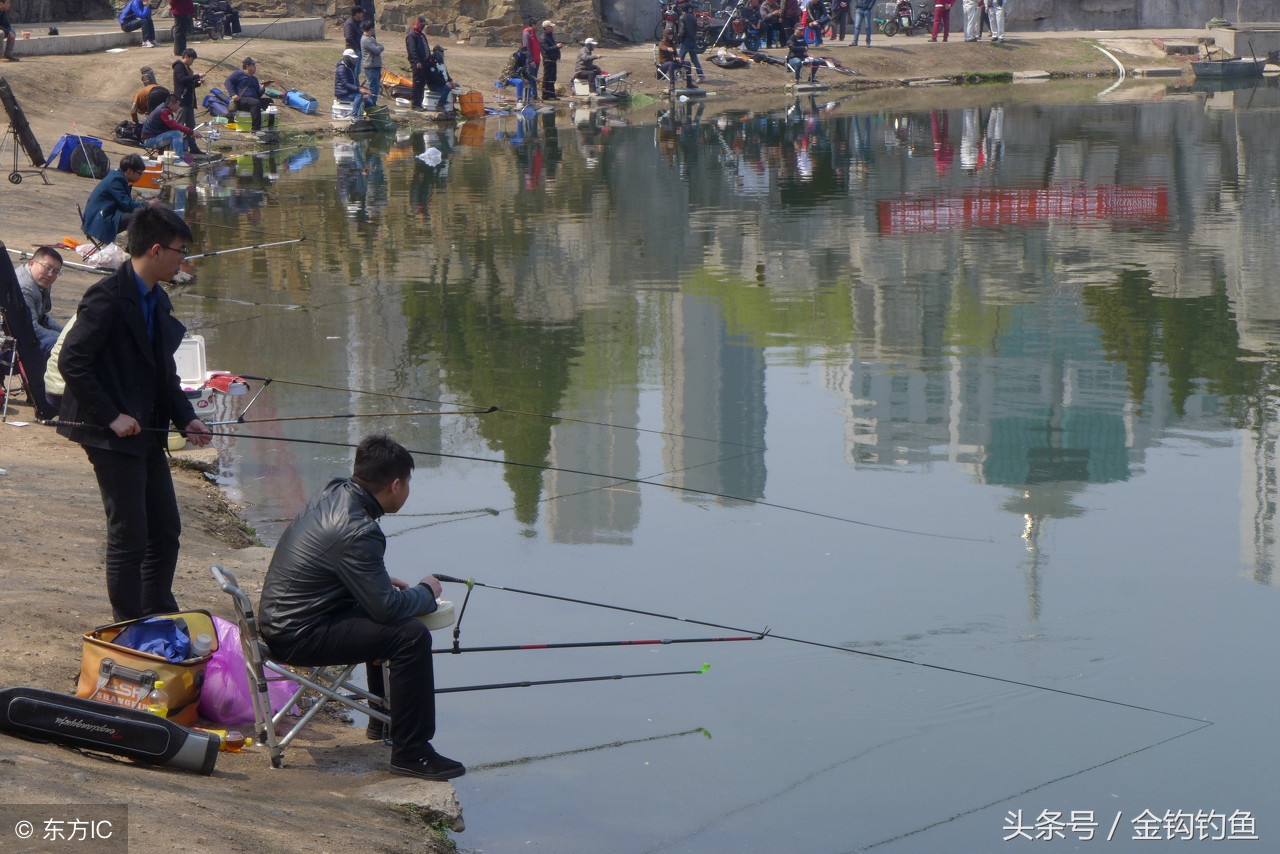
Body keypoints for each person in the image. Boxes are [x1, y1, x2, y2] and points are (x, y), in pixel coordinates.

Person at [258, 433, 466, 782]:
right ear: (396, 485)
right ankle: (412, 753)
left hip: (284, 619)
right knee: (409, 636)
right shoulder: (360, 529)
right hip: (297, 635)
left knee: (385, 617)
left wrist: (380, 586)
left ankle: (380, 722)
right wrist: (425, 592)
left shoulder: (336, 492)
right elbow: (386, 610)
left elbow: (345, 570)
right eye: (409, 484)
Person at [57, 205, 212, 622]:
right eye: (180, 251)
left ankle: (156, 607)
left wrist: (187, 419)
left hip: (147, 431)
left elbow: (165, 371)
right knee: (130, 533)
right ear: (157, 250)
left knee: (165, 530)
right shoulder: (107, 297)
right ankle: (127, 624)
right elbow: (73, 362)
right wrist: (111, 416)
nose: (184, 260)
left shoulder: (157, 299)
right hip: (108, 433)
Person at [81, 154, 160, 245]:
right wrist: (148, 204)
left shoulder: (117, 175)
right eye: (140, 173)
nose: (141, 176)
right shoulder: (116, 181)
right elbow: (127, 205)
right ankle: (133, 249)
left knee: (137, 215)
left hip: (102, 213)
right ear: (129, 171)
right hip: (98, 219)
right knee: (137, 217)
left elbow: (126, 203)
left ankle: (132, 248)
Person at [15, 248, 64, 355]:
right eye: (47, 267)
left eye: (56, 271)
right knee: (59, 345)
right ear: (31, 263)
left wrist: (67, 332)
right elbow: (33, 330)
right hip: (10, 347)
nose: (51, 274)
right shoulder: (24, 288)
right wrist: (64, 338)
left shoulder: (39, 280)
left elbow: (42, 318)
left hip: (23, 336)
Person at [141, 93, 200, 158]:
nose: (179, 107)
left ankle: (172, 157)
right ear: (171, 104)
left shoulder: (163, 108)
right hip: (149, 140)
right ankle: (178, 159)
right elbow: (174, 125)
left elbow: (172, 126)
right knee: (176, 134)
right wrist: (191, 132)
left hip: (151, 138)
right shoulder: (164, 111)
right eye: (178, 105)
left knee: (174, 133)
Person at [224, 56, 274, 132]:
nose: (255, 68)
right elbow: (227, 82)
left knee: (269, 101)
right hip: (241, 101)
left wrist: (263, 88)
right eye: (254, 66)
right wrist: (233, 94)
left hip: (252, 101)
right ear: (247, 66)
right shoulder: (239, 73)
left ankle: (270, 126)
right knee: (255, 103)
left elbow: (258, 95)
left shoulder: (254, 79)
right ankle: (255, 128)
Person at [171, 48, 203, 131]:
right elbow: (182, 79)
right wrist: (197, 76)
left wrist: (198, 82)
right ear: (186, 56)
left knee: (191, 126)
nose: (192, 62)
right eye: (192, 59)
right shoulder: (179, 66)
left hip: (189, 102)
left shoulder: (187, 68)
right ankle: (177, 143)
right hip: (181, 101)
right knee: (178, 125)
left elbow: (189, 83)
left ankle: (190, 144)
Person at [335, 48, 371, 118]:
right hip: (343, 94)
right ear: (347, 58)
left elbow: (353, 83)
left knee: (369, 101)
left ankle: (370, 117)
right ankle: (354, 116)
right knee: (359, 96)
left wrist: (361, 89)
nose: (354, 60)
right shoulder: (341, 69)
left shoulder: (349, 67)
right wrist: (359, 90)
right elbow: (345, 84)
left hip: (349, 93)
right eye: (352, 58)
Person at [406, 15, 431, 111]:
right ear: (418, 23)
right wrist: (417, 61)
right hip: (418, 64)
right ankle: (415, 104)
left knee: (422, 83)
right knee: (417, 83)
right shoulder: (411, 35)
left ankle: (419, 103)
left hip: (425, 62)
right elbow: (412, 51)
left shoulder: (421, 34)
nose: (423, 27)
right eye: (422, 24)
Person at [424, 44, 459, 113]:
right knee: (447, 88)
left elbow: (446, 74)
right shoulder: (432, 62)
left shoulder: (441, 62)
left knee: (457, 86)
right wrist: (445, 83)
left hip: (442, 83)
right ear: (437, 52)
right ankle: (440, 105)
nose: (443, 53)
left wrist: (450, 80)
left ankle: (452, 105)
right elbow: (434, 78)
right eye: (441, 51)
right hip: (434, 85)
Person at [676, 4, 705, 83]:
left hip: (685, 41)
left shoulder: (682, 17)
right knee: (694, 59)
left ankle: (680, 75)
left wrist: (678, 39)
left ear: (682, 10)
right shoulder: (693, 17)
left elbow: (682, 31)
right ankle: (701, 75)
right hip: (692, 40)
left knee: (680, 59)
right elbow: (696, 28)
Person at [360, 19, 385, 103]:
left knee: (376, 88)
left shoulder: (371, 39)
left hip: (376, 67)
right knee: (373, 89)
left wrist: (379, 48)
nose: (374, 30)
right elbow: (377, 50)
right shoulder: (365, 40)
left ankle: (373, 104)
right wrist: (379, 48)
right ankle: (371, 106)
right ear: (370, 29)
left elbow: (381, 46)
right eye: (373, 28)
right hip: (371, 67)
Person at [539, 20, 562, 100]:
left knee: (553, 78)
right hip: (548, 60)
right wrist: (557, 46)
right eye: (550, 27)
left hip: (553, 60)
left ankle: (552, 94)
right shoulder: (543, 37)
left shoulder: (550, 36)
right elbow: (547, 49)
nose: (552, 28)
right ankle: (545, 95)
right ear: (546, 28)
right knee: (547, 78)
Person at [521, 19, 541, 99]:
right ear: (532, 25)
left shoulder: (534, 34)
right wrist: (530, 60)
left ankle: (534, 95)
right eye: (537, 25)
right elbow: (527, 48)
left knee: (534, 78)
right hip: (530, 61)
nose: (538, 26)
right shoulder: (527, 34)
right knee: (529, 78)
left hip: (536, 60)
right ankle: (529, 96)